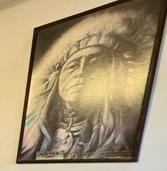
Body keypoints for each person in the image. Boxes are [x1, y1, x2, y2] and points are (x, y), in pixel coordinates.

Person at [18, 8, 158, 161]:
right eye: (73, 65)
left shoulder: (122, 138)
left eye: (94, 64)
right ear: (57, 78)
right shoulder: (32, 136)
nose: (81, 72)